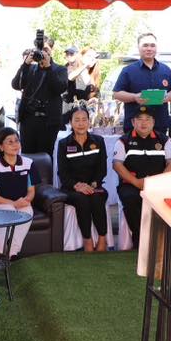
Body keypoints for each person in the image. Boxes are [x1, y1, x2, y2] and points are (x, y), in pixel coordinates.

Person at [113, 107, 171, 245]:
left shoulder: (164, 140)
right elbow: (117, 165)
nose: (144, 123)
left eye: (147, 119)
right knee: (130, 198)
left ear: (153, 122)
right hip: (132, 184)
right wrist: (136, 182)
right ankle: (140, 239)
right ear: (133, 122)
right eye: (140, 119)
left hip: (157, 184)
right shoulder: (123, 141)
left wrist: (157, 182)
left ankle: (164, 240)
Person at [57, 106, 109, 252]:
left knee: (97, 197)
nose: (81, 123)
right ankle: (87, 240)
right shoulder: (64, 144)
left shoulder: (98, 141)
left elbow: (102, 169)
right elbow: (63, 173)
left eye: (84, 120)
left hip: (94, 185)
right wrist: (77, 186)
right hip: (72, 188)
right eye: (77, 120)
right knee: (82, 199)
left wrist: (92, 185)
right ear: (71, 122)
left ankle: (102, 239)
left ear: (89, 122)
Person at [0, 127, 37, 259]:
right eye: (10, 142)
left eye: (17, 141)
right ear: (1, 147)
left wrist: (26, 201)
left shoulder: (29, 163)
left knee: (27, 211)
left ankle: (12, 253)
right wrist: (13, 203)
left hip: (20, 203)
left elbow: (31, 191)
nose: (15, 145)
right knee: (9, 210)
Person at [11, 33, 68, 154]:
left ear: (52, 50)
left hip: (49, 122)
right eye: (39, 49)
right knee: (27, 156)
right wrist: (25, 64)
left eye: (46, 49)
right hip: (28, 120)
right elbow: (16, 85)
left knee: (45, 156)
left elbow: (60, 88)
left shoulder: (60, 69)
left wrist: (48, 67)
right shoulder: (30, 69)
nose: (43, 52)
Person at [112, 32, 171, 133]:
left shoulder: (165, 69)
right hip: (135, 128)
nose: (149, 48)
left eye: (152, 45)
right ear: (138, 48)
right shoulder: (128, 70)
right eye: (145, 45)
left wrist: (166, 97)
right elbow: (116, 94)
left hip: (160, 126)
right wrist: (134, 97)